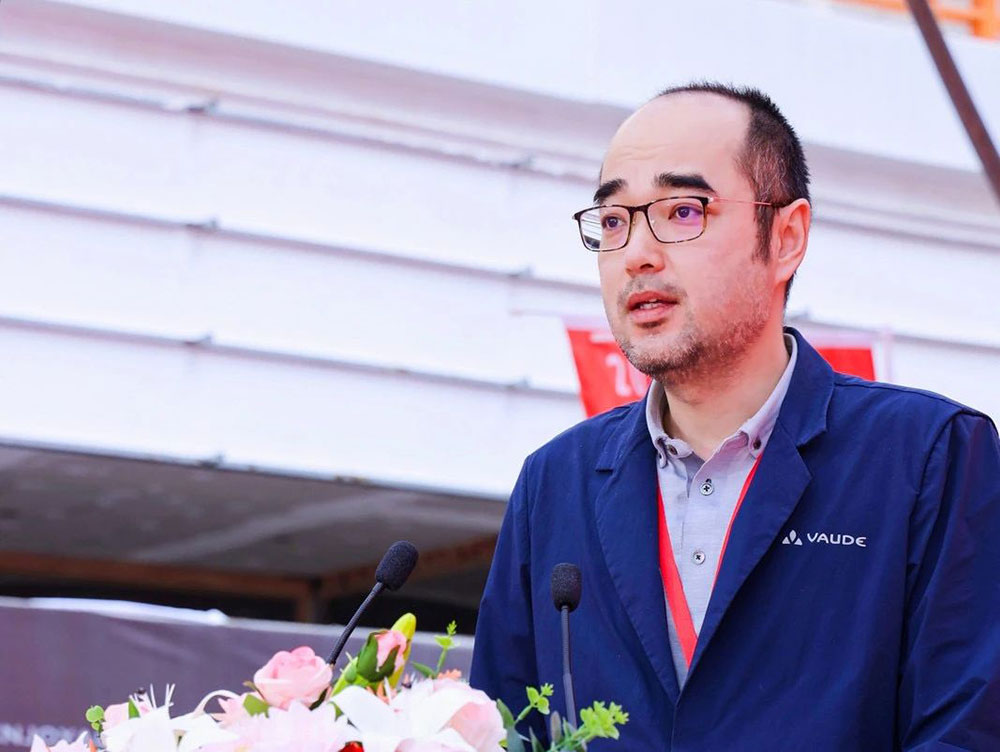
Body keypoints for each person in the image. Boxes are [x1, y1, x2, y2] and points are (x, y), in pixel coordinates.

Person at [469, 83, 1000, 750]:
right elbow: (497, 729)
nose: (637, 254)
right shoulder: (555, 483)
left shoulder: (927, 457)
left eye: (683, 211)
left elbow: (966, 732)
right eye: (613, 221)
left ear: (786, 237)